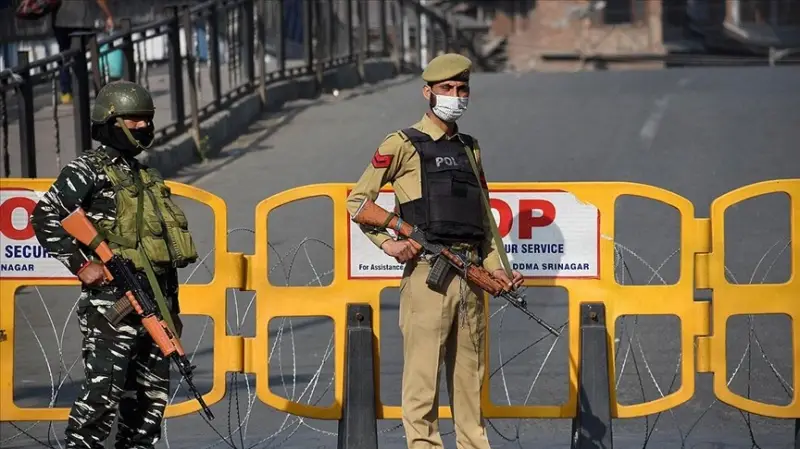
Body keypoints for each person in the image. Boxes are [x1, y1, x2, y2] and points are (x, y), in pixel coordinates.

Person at [345, 53, 524, 449]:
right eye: (446, 89)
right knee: (422, 386)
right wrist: (389, 242)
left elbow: (485, 222)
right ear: (428, 92)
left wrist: (499, 271)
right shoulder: (403, 143)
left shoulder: (469, 148)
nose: (455, 96)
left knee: (469, 385)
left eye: (462, 89)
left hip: (470, 276)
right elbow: (358, 202)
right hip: (428, 277)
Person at [30, 80, 198, 449]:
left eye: (146, 121)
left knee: (148, 404)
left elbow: (160, 255)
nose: (143, 128)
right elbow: (45, 215)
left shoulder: (145, 176)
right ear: (111, 123)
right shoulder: (88, 169)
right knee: (102, 398)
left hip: (154, 305)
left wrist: (172, 311)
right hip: (112, 307)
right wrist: (80, 263)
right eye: (133, 121)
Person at [51, 0, 115, 104]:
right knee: (80, 55)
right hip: (81, 20)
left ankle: (66, 92)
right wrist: (108, 15)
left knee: (64, 55)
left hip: (60, 19)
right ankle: (81, 90)